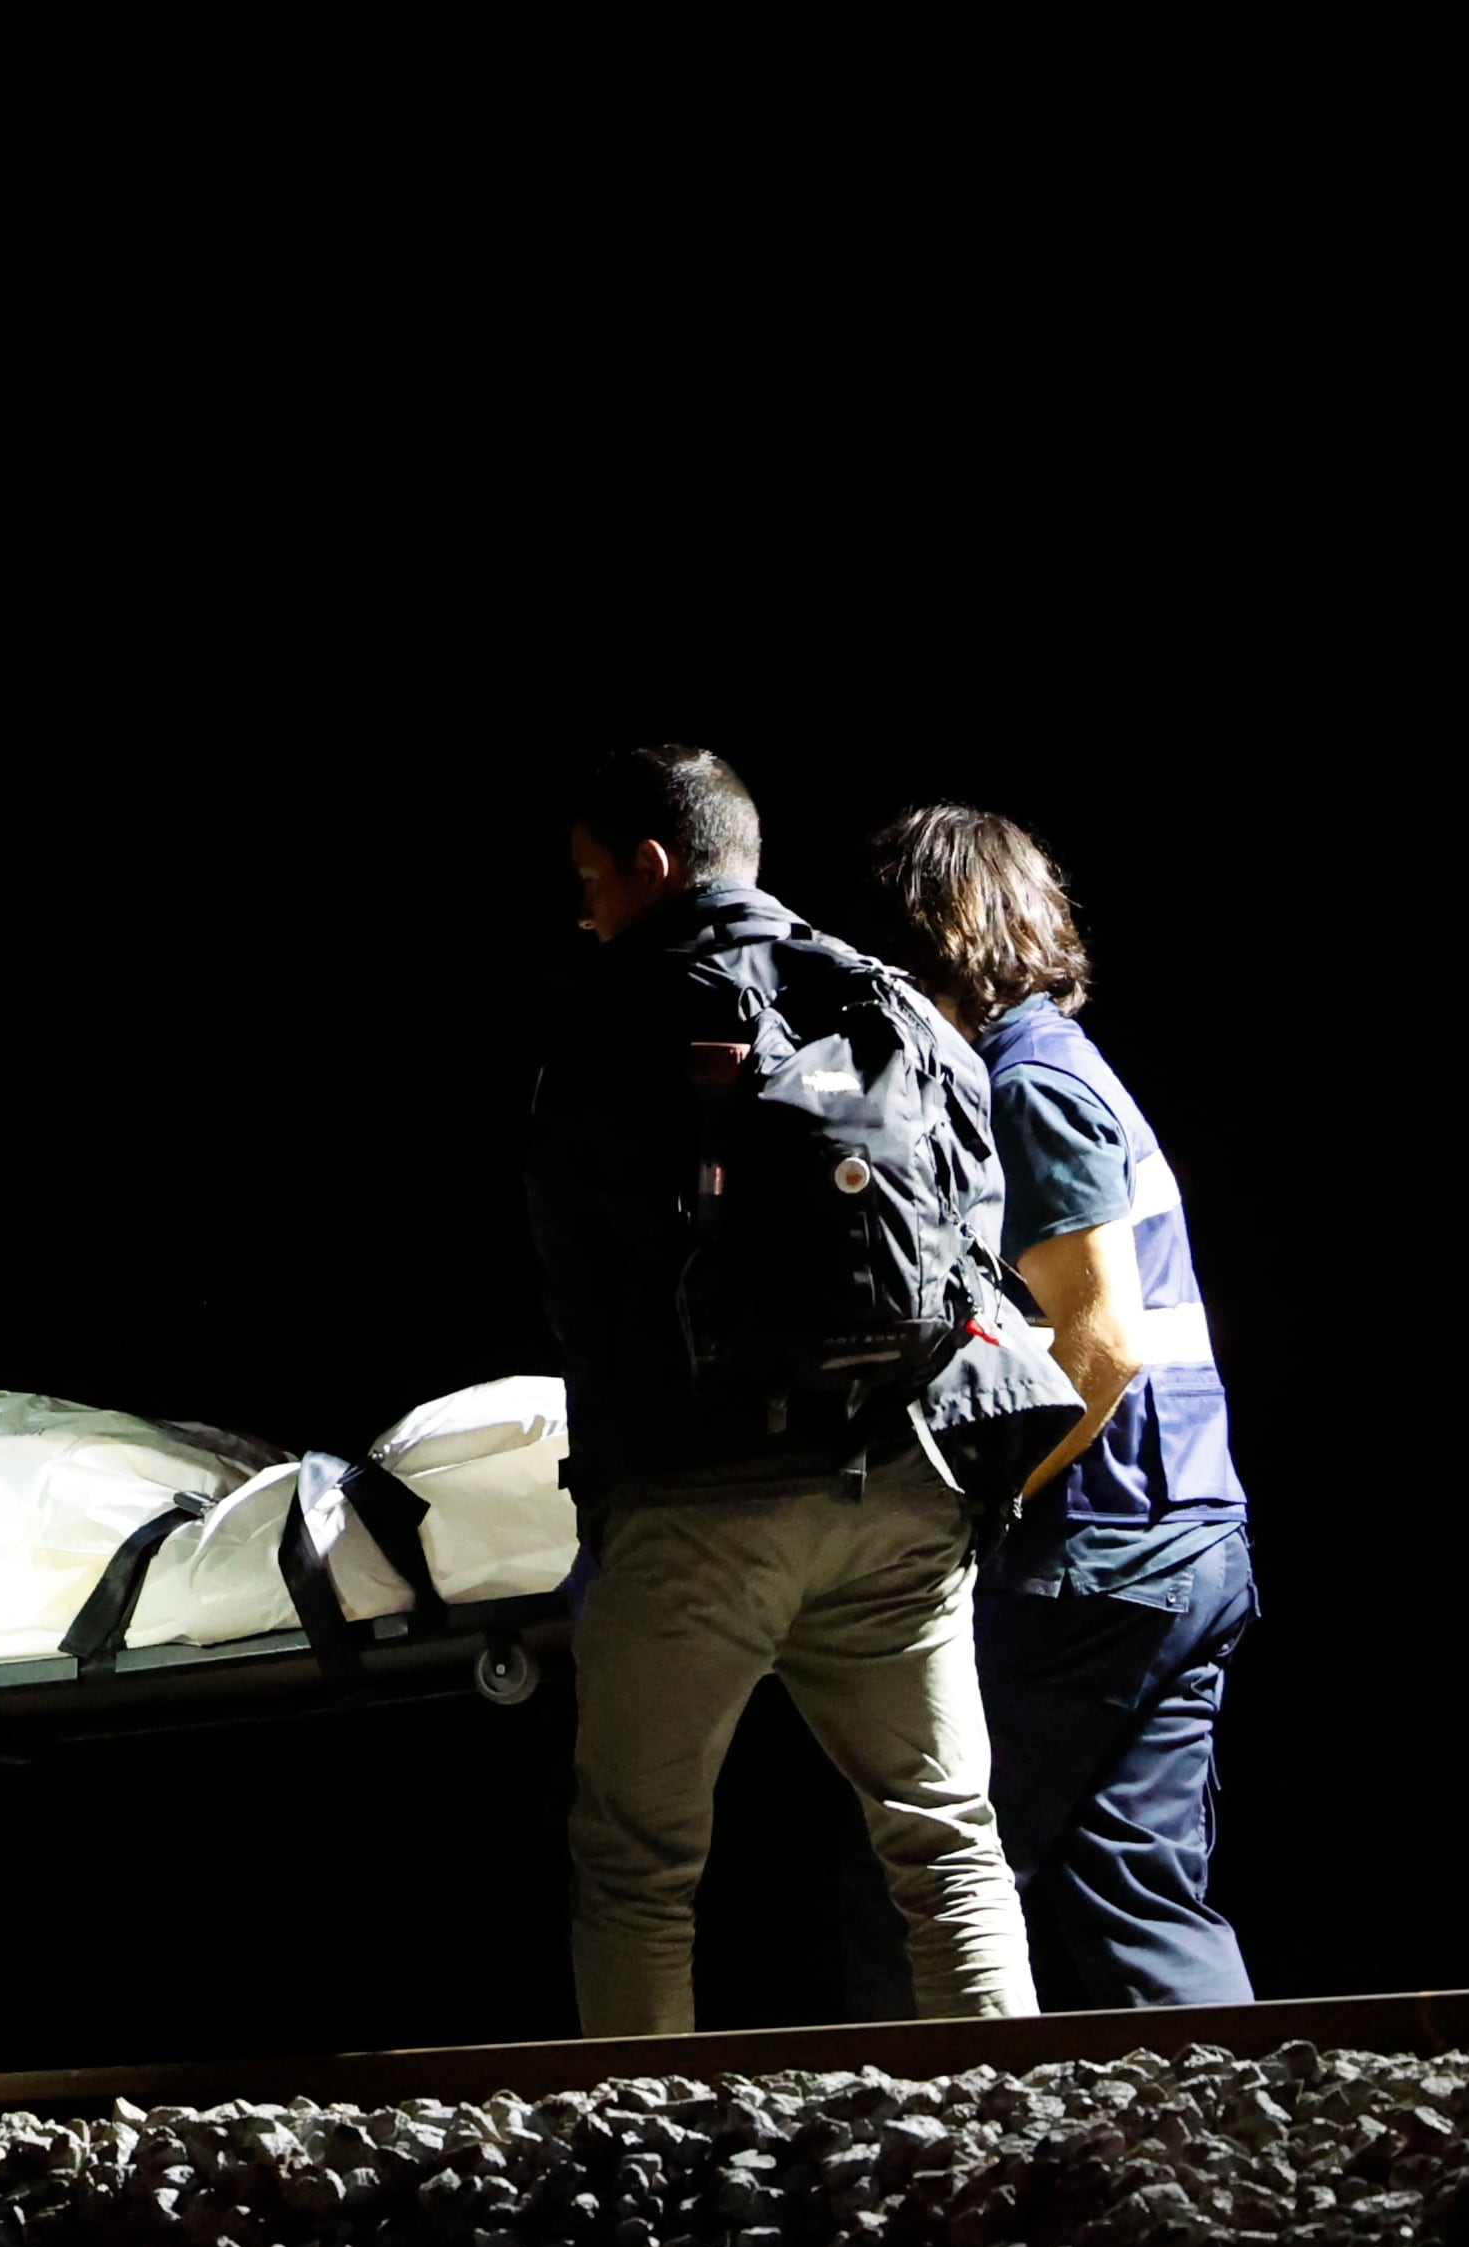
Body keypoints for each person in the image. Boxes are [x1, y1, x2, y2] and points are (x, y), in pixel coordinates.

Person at [529, 742, 1035, 2038]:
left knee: (637, 1862)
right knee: (948, 1842)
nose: (580, 906)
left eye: (589, 877)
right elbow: (973, 1245)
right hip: (904, 1488)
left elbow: (595, 1284)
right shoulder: (889, 1004)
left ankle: (632, 2181)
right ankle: (1036, 2149)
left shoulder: (617, 1015)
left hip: (704, 1500)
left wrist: (615, 1514)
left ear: (652, 865)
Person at [867, 805, 1258, 2008]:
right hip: (1180, 1542)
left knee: (920, 1874)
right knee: (1134, 1894)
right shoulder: (1072, 1070)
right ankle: (1244, 2153)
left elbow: (1101, 1347)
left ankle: (898, 2157)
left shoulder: (1027, 1085)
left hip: (1097, 1558)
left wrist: (975, 1508)